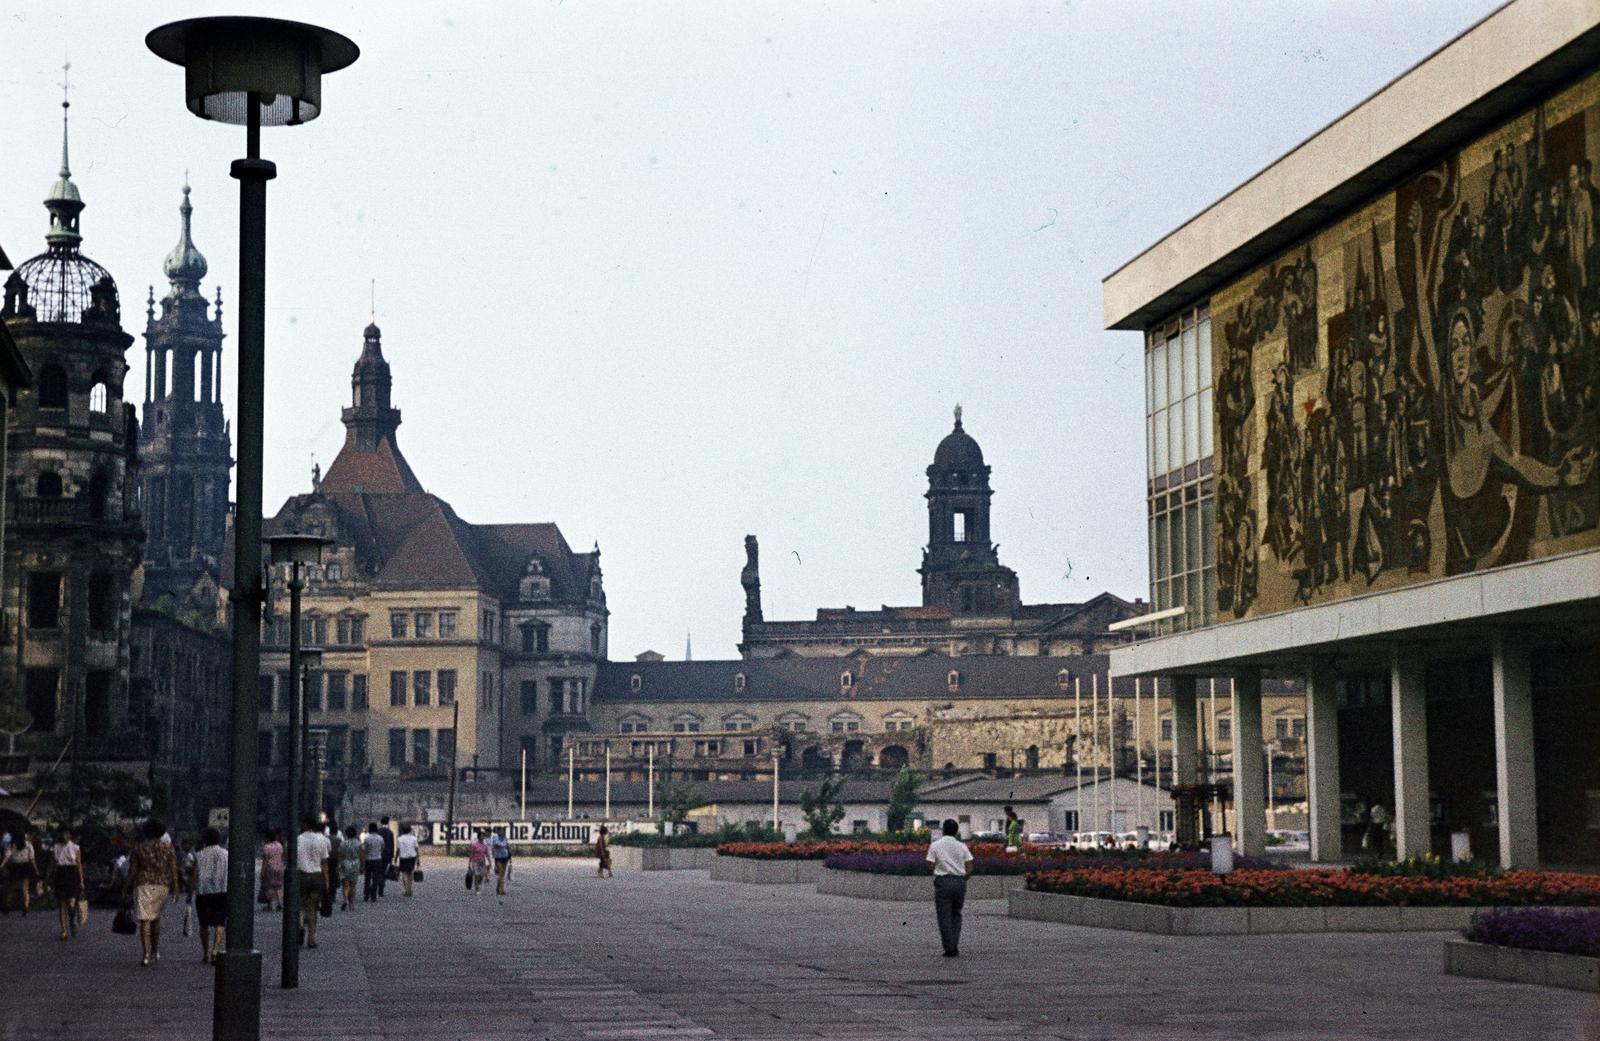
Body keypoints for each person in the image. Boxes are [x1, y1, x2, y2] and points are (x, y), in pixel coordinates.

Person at [127, 818, 180, 966]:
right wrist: (176, 888)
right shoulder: (168, 847)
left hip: (143, 884)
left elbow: (133, 870)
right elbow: (173, 869)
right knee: (156, 918)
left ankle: (146, 954)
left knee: (144, 920)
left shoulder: (139, 848)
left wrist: (125, 887)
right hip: (162, 884)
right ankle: (155, 950)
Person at [926, 819, 973, 958]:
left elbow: (930, 864)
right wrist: (964, 877)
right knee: (956, 914)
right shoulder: (962, 846)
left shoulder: (935, 845)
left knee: (944, 915)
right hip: (959, 882)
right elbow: (970, 863)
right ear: (956, 831)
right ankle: (955, 943)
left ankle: (949, 946)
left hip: (943, 881)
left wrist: (940, 867)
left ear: (943, 830)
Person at [192, 827, 228, 963]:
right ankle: (216, 949)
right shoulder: (226, 854)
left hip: (203, 892)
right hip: (221, 891)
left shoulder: (199, 855)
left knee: (204, 924)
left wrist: (190, 893)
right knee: (220, 922)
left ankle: (205, 953)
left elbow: (194, 875)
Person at [295, 815, 331, 948]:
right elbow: (324, 863)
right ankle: (311, 938)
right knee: (313, 908)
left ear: (304, 824)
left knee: (300, 905)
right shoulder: (321, 840)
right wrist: (326, 881)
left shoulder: (298, 839)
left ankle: (299, 926)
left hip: (302, 875)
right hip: (316, 876)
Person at [51, 827, 85, 941]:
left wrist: (81, 880)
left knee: (70, 903)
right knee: (61, 904)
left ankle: (72, 920)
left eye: (66, 833)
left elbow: (79, 864)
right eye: (62, 834)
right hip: (61, 873)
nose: (64, 836)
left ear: (70, 835)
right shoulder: (56, 847)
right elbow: (54, 863)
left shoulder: (75, 847)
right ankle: (64, 930)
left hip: (72, 873)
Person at [2, 830, 38, 915]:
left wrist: (2, 865)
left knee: (11, 887)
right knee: (25, 888)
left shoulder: (11, 845)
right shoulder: (28, 844)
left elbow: (7, 856)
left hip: (15, 866)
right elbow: (32, 858)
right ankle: (26, 906)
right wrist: (36, 869)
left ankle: (7, 906)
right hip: (25, 866)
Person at [260, 828, 285, 911]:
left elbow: (265, 861)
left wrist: (262, 872)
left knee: (269, 887)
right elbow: (282, 855)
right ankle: (279, 903)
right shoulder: (280, 845)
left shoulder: (266, 847)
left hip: (270, 868)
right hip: (280, 868)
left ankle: (270, 905)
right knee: (278, 887)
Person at [337, 826, 362, 911]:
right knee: (353, 885)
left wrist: (339, 864)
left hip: (346, 863)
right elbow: (361, 854)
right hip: (355, 864)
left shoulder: (343, 843)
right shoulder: (358, 843)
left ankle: (346, 900)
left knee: (345, 885)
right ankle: (352, 904)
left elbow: (340, 855)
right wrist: (362, 865)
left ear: (346, 834)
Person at [361, 822, 386, 903]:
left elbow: (364, 849)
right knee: (375, 878)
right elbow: (382, 848)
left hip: (369, 859)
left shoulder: (367, 838)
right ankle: (374, 896)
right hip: (378, 859)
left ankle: (366, 895)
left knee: (367, 878)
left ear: (370, 829)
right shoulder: (380, 838)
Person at [395, 824, 419, 897]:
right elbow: (416, 849)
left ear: (402, 831)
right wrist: (418, 860)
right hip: (412, 857)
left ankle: (406, 890)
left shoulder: (400, 839)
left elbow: (398, 850)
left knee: (404, 873)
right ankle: (410, 889)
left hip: (403, 857)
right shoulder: (414, 838)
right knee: (410, 873)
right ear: (410, 830)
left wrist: (396, 858)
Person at [488, 827, 512, 894]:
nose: (502, 832)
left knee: (502, 874)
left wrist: (510, 858)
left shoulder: (505, 838)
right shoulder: (495, 838)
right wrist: (504, 846)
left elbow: (508, 847)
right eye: (500, 831)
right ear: (498, 832)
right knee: (500, 872)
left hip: (505, 856)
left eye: (502, 831)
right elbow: (496, 845)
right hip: (498, 857)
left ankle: (498, 887)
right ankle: (502, 889)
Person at [377, 816, 395, 898]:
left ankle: (376, 885)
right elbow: (392, 845)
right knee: (384, 871)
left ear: (381, 822)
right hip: (387, 855)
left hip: (378, 855)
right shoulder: (390, 832)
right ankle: (381, 889)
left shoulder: (378, 831)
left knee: (378, 871)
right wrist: (392, 856)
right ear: (388, 822)